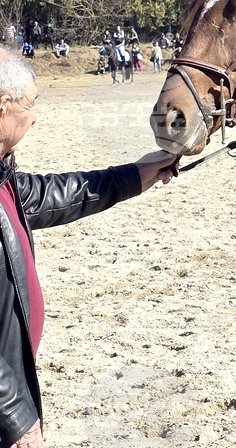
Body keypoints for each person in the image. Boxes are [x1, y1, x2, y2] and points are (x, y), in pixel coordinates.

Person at [0, 46, 177, 448]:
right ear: (2, 109)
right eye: (30, 104)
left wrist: (134, 175)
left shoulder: (3, 177)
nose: (36, 115)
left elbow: (53, 195)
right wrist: (11, 415)